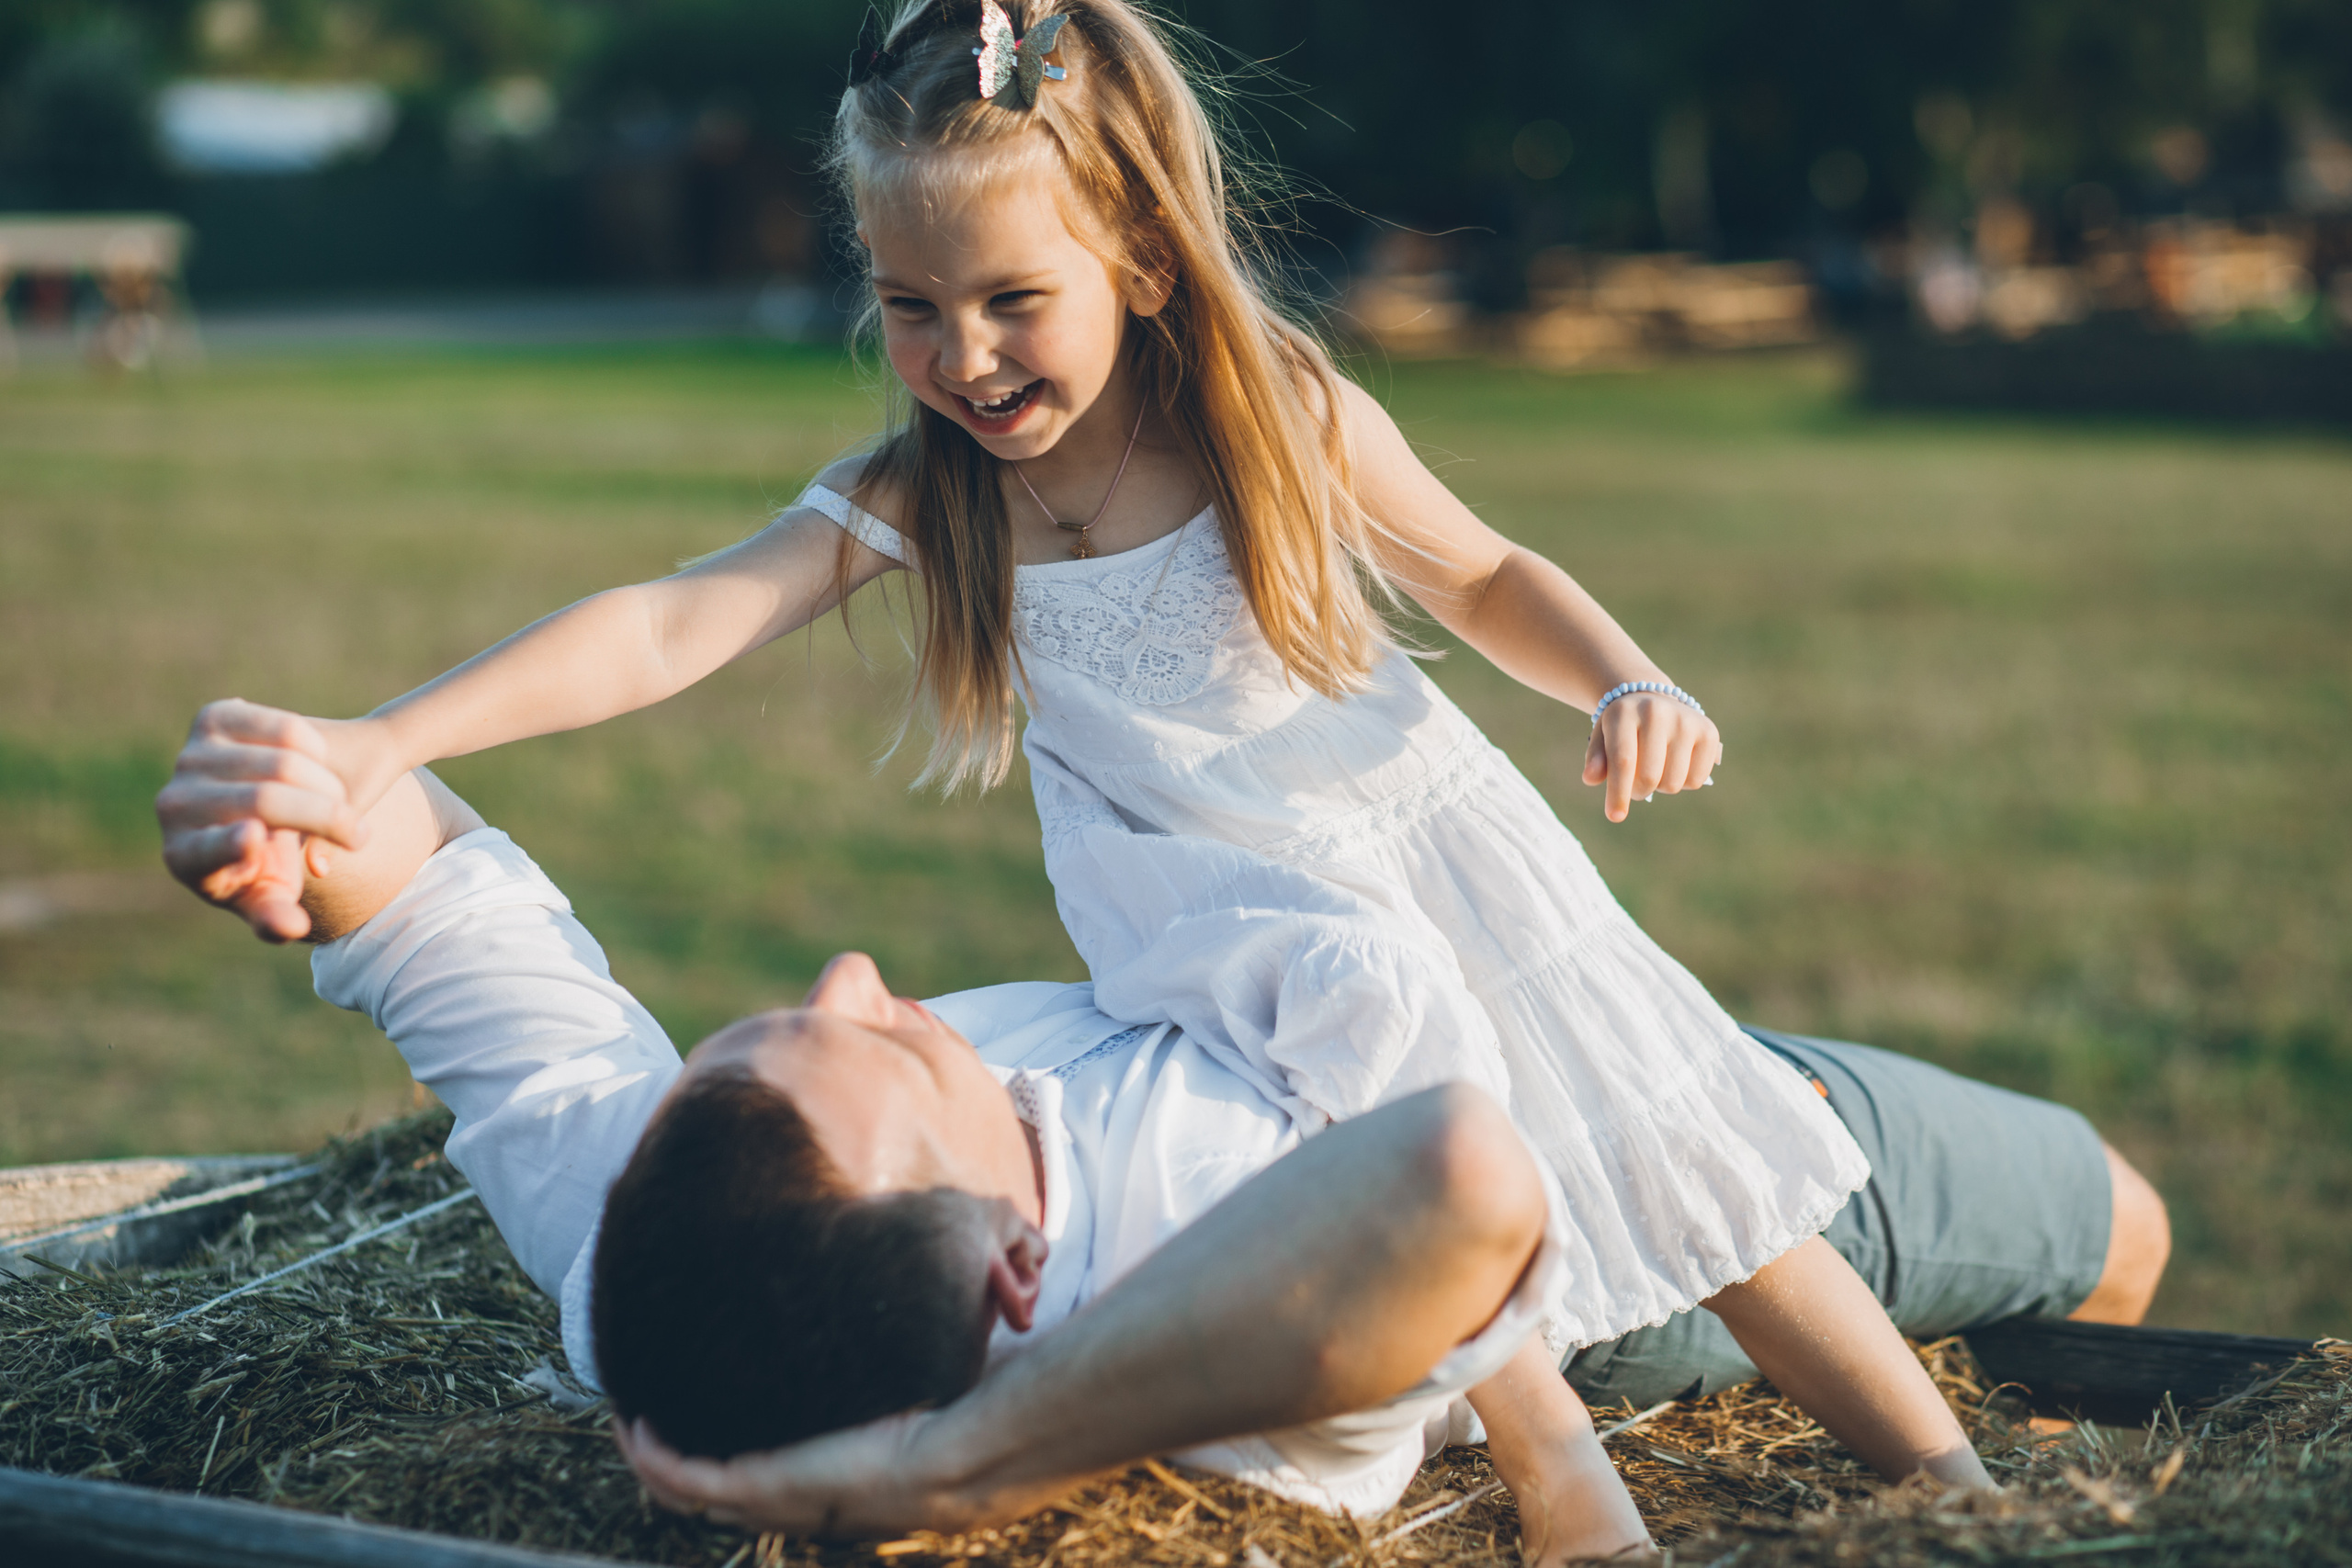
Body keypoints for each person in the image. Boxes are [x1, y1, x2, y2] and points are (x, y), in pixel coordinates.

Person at [174, 0, 1891, 1443]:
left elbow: (1487, 570)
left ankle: (1953, 1494)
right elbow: (672, 624)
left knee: (1703, 1186)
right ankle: (1549, 1466)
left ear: (1137, 254)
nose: (963, 357)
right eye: (911, 307)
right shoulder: (929, 497)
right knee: (1396, 1219)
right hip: (1203, 945)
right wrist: (389, 742)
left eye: (1011, 300)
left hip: (1411, 858)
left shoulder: (1269, 416)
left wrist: (1626, 679)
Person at [156, 713, 2171, 1560]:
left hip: (1490, 1006)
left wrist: (306, 819)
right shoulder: (1212, 1268)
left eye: (769, 1032)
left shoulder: (650, 1256)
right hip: (1638, 1197)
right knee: (2125, 1229)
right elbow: (1469, 1177)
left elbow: (467, 948)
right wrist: (953, 1469)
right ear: (1024, 1274)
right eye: (894, 1049)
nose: (861, 970)